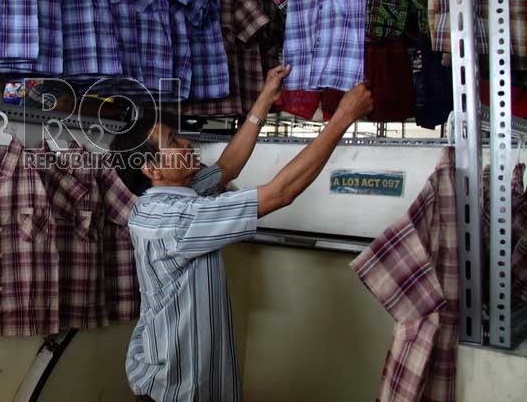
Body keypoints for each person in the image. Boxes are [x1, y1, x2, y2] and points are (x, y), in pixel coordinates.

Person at [110, 65, 374, 402]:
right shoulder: (175, 219)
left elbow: (227, 168)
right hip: (176, 390)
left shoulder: (161, 203)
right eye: (174, 142)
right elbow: (280, 193)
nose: (187, 142)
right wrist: (341, 119)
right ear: (153, 169)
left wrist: (265, 98)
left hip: (170, 377)